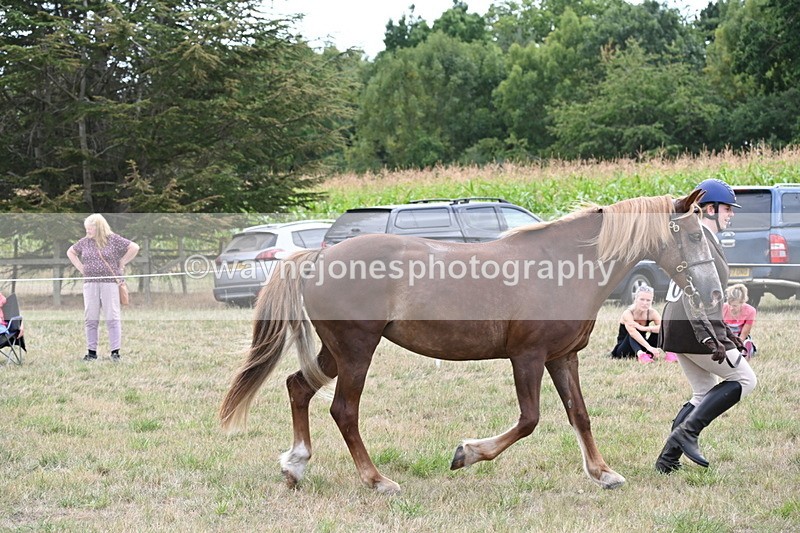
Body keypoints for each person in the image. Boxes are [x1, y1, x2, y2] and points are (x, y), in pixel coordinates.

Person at [654, 179, 757, 474]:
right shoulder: (702, 239)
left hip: (677, 323)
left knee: (703, 392)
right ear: (709, 209)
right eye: (727, 208)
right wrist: (716, 336)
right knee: (746, 379)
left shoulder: (696, 238)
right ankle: (687, 433)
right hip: (693, 325)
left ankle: (667, 460)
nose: (731, 214)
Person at [67, 214, 139, 362]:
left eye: (90, 228)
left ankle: (115, 353)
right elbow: (71, 252)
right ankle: (91, 353)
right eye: (86, 228)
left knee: (112, 317)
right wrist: (81, 267)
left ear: (98, 227)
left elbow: (134, 247)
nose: (87, 231)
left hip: (110, 283)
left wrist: (122, 262)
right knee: (91, 318)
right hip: (90, 283)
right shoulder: (85, 242)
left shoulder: (113, 239)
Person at [610, 285, 675, 363]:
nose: (645, 303)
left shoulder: (651, 313)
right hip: (624, 349)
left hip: (643, 346)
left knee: (660, 331)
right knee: (633, 331)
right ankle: (641, 355)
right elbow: (632, 333)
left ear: (652, 301)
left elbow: (664, 328)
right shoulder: (628, 313)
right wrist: (649, 347)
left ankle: (668, 353)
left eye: (648, 300)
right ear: (636, 299)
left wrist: (643, 328)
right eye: (642, 299)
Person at [723, 283, 757, 359]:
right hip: (725, 336)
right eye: (730, 304)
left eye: (735, 305)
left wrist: (737, 344)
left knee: (744, 348)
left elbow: (743, 335)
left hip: (739, 337)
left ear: (742, 303)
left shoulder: (750, 311)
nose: (731, 308)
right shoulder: (722, 308)